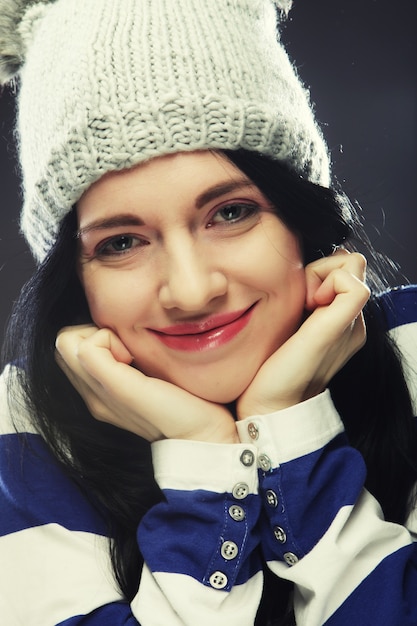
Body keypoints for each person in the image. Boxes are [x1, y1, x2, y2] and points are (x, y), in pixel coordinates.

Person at [0, 0, 416, 624]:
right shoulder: (25, 429)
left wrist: (287, 423)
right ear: (75, 277)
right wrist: (205, 457)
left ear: (303, 220)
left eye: (230, 212)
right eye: (121, 243)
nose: (191, 292)